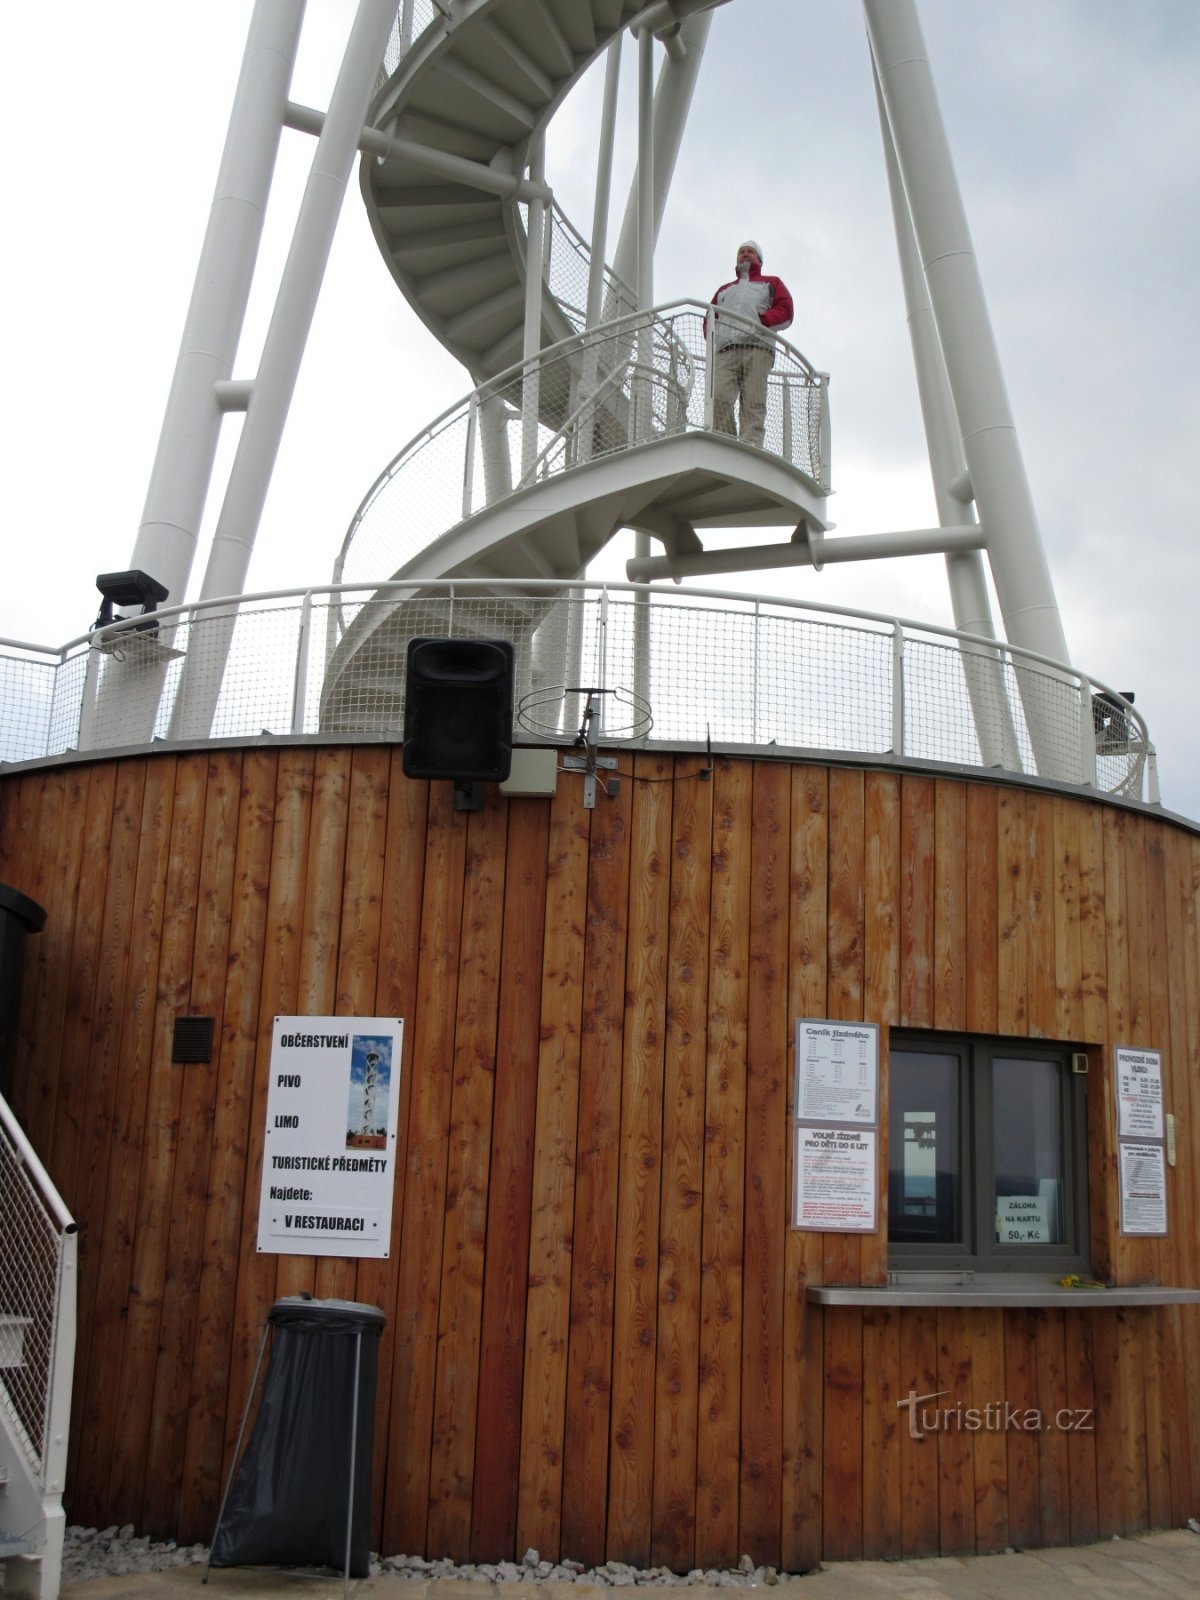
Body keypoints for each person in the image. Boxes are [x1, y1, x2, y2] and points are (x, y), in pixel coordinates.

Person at [708, 240, 794, 447]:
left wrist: (763, 321)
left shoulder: (772, 283)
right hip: (725, 349)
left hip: (758, 347)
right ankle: (726, 443)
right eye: (741, 252)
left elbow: (786, 309)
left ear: (759, 259)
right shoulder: (724, 290)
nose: (745, 255)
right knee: (718, 398)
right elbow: (709, 318)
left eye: (750, 252)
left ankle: (750, 446)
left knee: (753, 402)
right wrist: (713, 337)